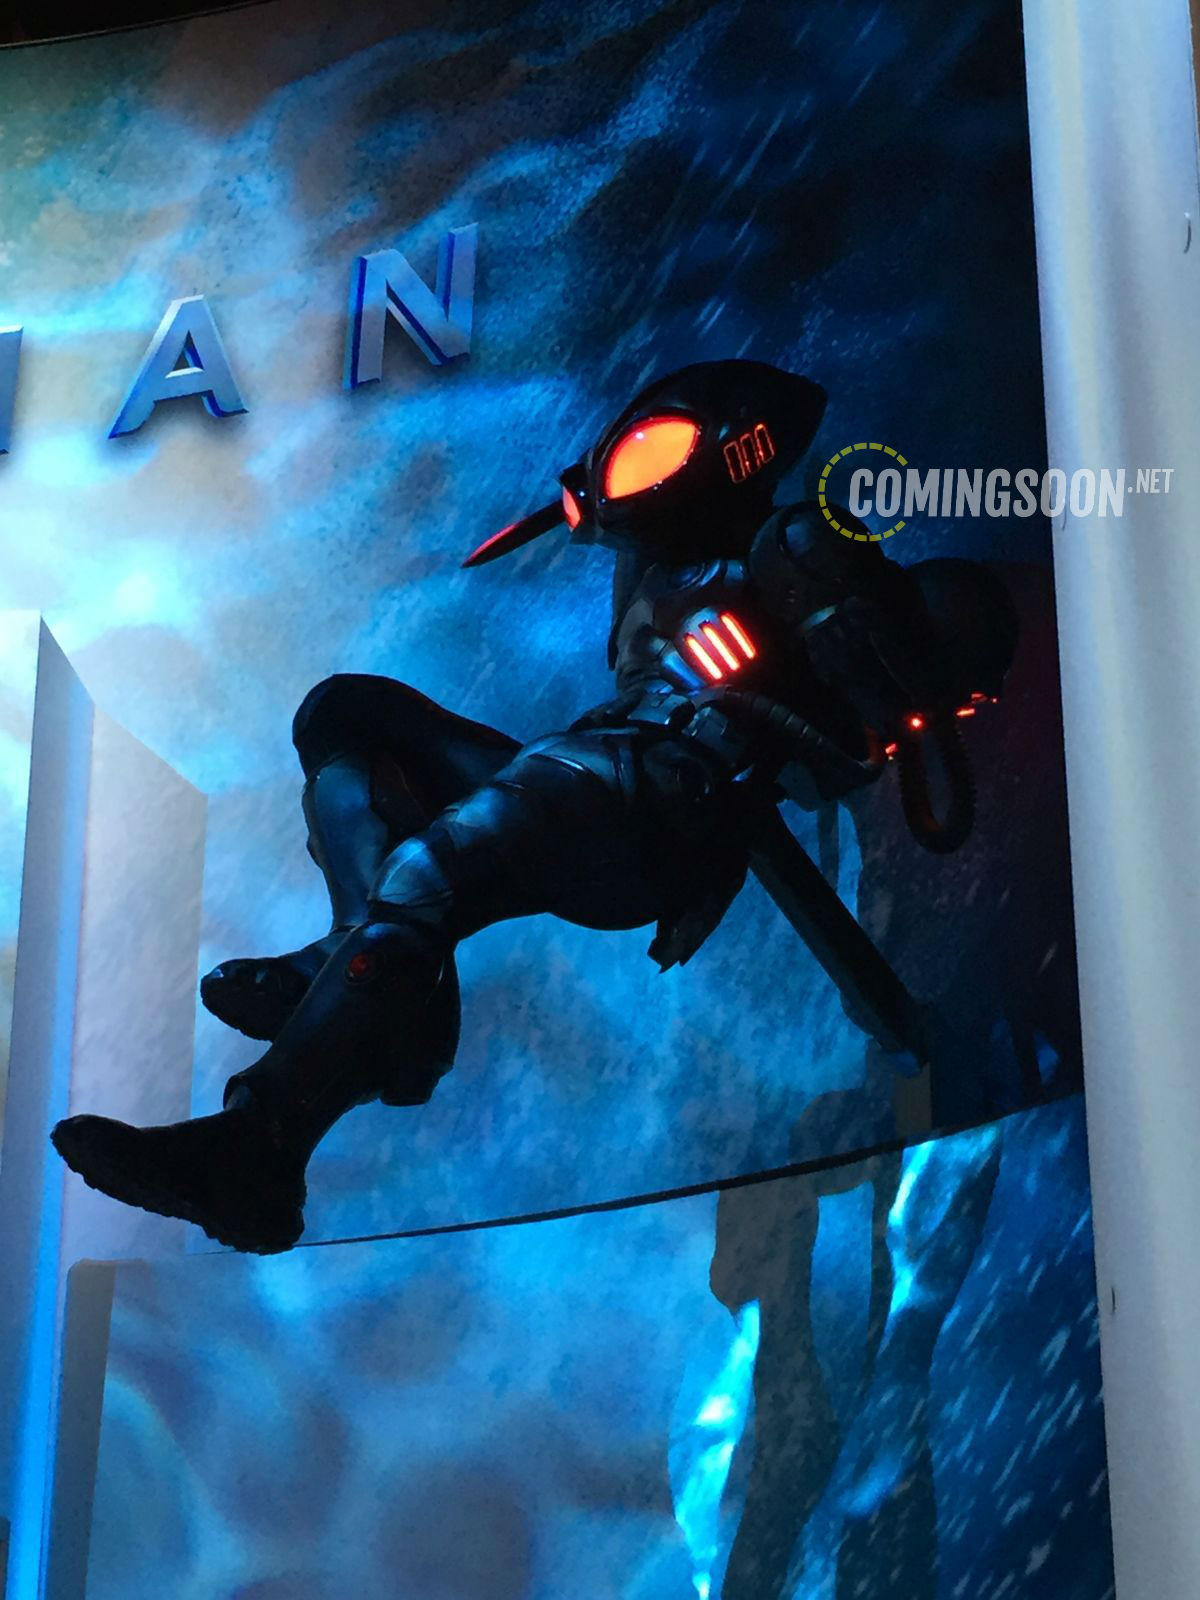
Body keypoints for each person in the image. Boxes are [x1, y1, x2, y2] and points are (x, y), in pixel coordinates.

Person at [51, 360, 1017, 1253]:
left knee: (434, 866)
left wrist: (852, 627)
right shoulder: (664, 566)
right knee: (346, 715)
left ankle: (258, 1151)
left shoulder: (790, 555)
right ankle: (380, 982)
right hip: (595, 768)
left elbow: (865, 751)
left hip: (665, 800)